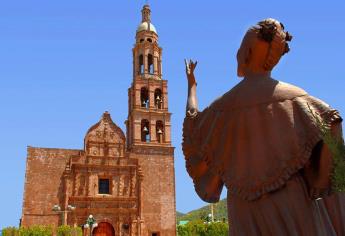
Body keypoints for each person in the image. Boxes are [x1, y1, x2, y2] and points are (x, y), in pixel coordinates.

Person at [182, 18, 345, 235]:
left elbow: (193, 125)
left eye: (239, 49)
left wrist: (192, 87)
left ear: (247, 52)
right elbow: (332, 126)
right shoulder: (298, 99)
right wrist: (317, 180)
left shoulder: (222, 108)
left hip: (244, 210)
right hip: (293, 205)